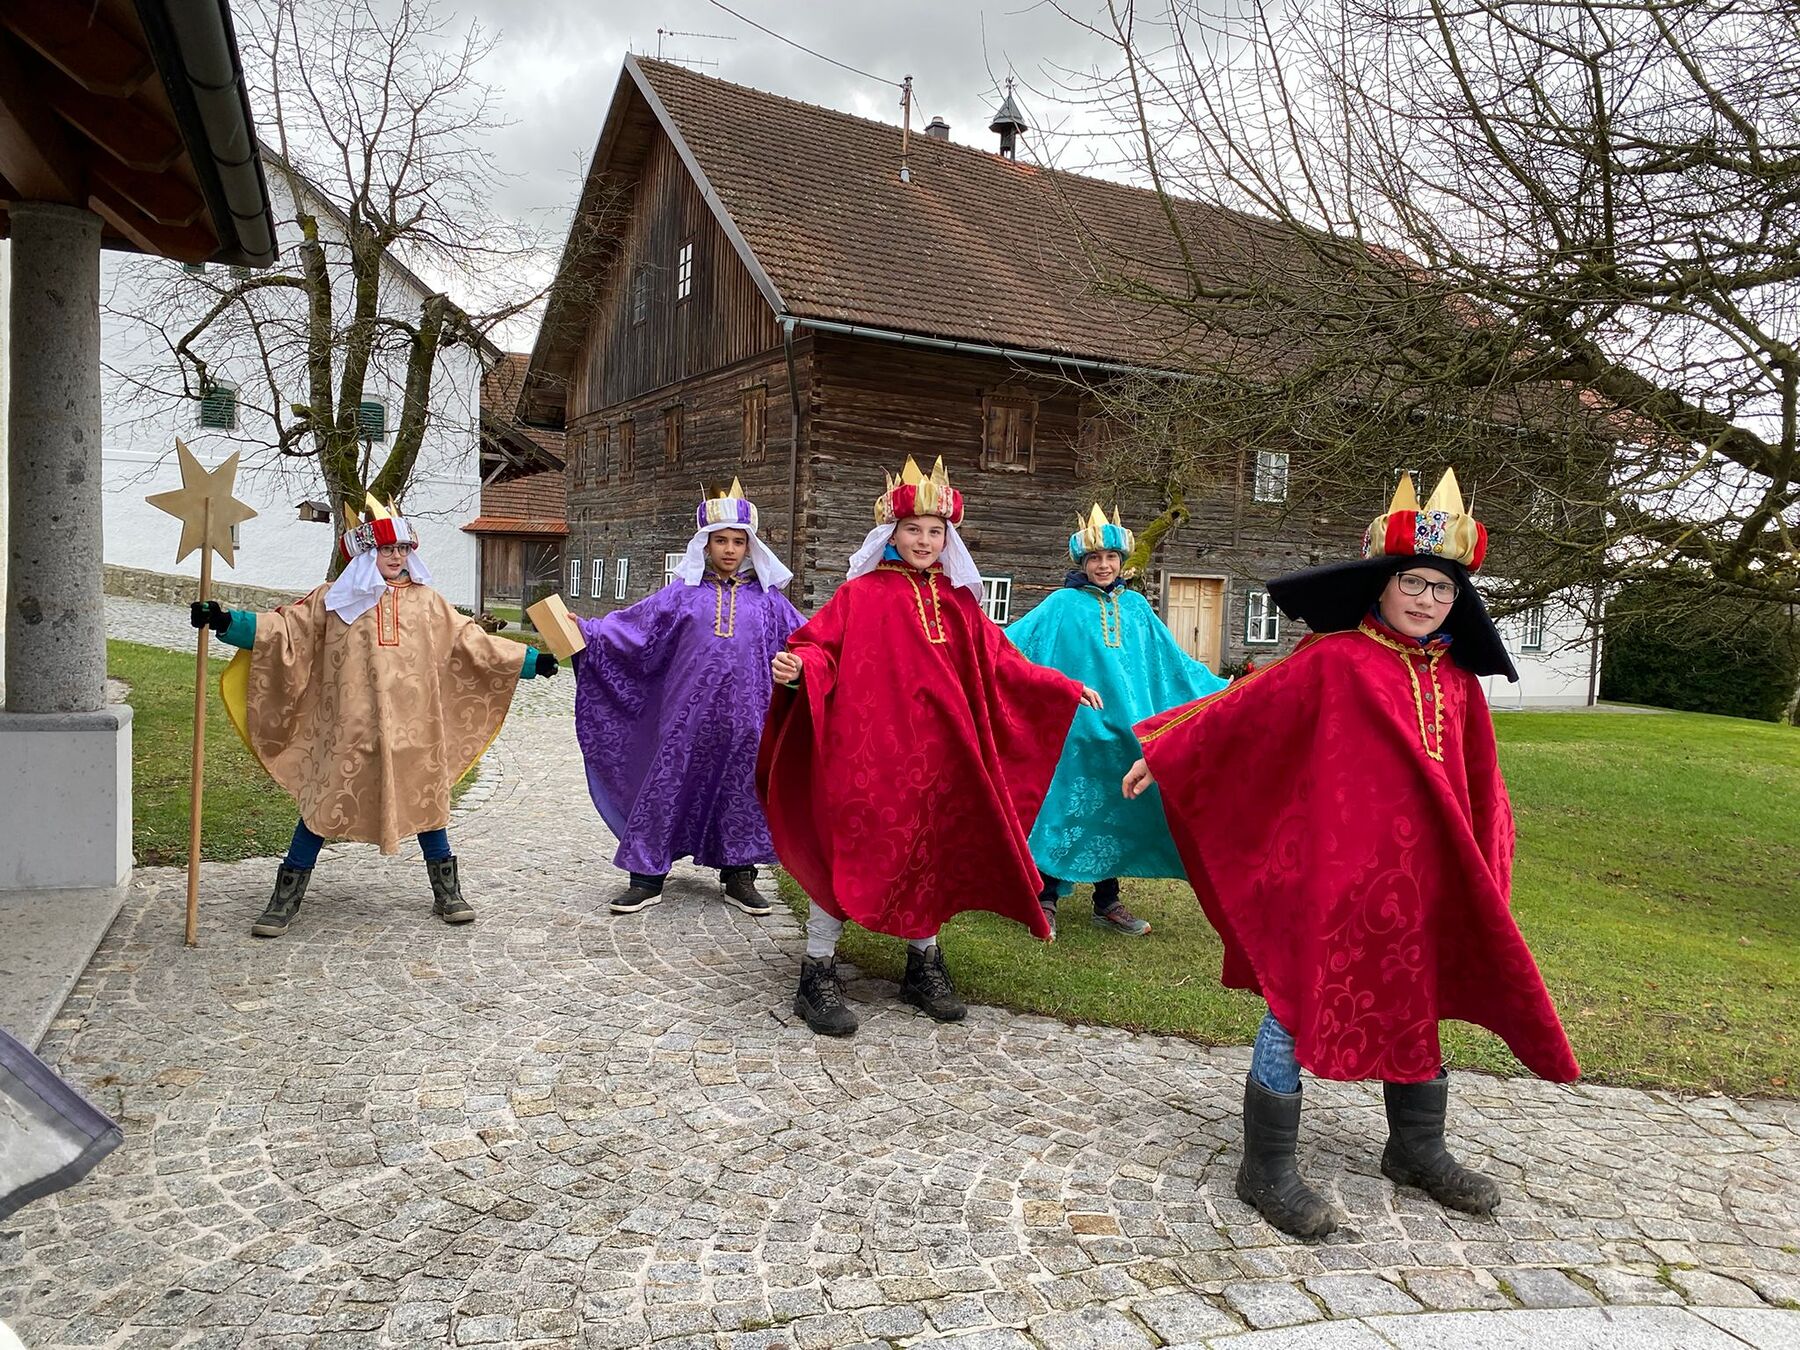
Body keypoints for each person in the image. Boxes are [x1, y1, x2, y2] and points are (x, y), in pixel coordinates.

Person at [1123, 470, 1578, 1237]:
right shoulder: (1335, 660)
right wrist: (1164, 752)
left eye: (1443, 587)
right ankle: (1265, 1167)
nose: (1427, 599)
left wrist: (1487, 859)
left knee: (1419, 997)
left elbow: (1482, 789)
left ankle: (1416, 1148)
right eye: (1413, 582)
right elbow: (1242, 710)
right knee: (1295, 1004)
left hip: (1423, 882)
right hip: (1334, 877)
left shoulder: (1459, 682)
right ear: (1382, 584)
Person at [757, 457, 1102, 1036]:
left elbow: (1003, 662)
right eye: (912, 529)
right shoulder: (860, 595)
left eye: (935, 531)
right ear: (891, 535)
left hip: (943, 756)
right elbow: (822, 648)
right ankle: (817, 968)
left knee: (930, 852)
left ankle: (923, 964)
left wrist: (1061, 687)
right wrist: (801, 667)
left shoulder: (960, 603)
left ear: (948, 538)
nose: (924, 540)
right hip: (868, 754)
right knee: (849, 848)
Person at [196, 496, 555, 937]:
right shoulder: (334, 599)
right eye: (387, 549)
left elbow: (470, 642)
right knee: (322, 806)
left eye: (402, 549)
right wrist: (226, 621)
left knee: (426, 803)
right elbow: (286, 629)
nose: (397, 557)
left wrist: (529, 661)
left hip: (416, 726)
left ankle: (447, 892)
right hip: (348, 728)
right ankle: (285, 898)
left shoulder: (428, 603)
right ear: (367, 552)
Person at [571, 480, 804, 916]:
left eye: (738, 541)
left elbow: (806, 641)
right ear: (705, 544)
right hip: (684, 718)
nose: (730, 549)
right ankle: (646, 876)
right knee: (667, 783)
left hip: (747, 720)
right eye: (721, 540)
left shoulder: (769, 602)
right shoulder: (681, 595)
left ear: (750, 547)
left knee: (741, 790)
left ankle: (740, 875)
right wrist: (587, 630)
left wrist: (816, 660)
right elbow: (634, 631)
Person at [1005, 504, 1227, 938]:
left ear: (1122, 561)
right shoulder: (1061, 605)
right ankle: (1045, 898)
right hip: (1073, 732)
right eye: (1094, 558)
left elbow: (1172, 663)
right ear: (1082, 562)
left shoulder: (1138, 608)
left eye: (1110, 557)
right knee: (1062, 808)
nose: (1103, 565)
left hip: (1126, 733)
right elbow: (1013, 646)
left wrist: (1222, 687)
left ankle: (1107, 901)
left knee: (1115, 812)